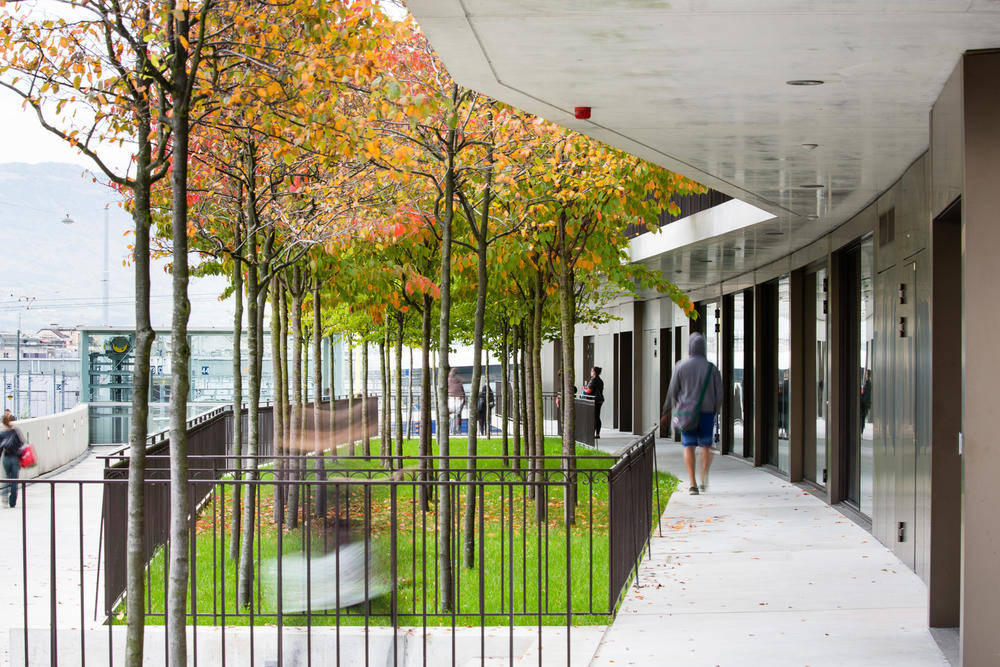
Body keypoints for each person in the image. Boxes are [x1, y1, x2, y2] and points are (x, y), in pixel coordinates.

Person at [660, 333, 723, 495]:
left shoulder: (681, 366)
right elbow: (719, 393)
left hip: (686, 413)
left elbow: (673, 391)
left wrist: (668, 409)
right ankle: (704, 476)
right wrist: (716, 408)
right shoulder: (712, 368)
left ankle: (692, 484)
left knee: (688, 446)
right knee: (706, 445)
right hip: (707, 413)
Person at [0, 412, 25, 508]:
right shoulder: (15, 431)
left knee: (6, 478)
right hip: (15, 458)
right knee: (14, 480)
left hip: (6, 458)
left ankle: (5, 497)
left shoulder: (2, 433)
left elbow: (0, 448)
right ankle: (12, 501)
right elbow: (22, 444)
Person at [585, 366, 605, 439]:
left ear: (594, 372)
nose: (591, 372)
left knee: (593, 417)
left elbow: (589, 390)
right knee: (597, 416)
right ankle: (598, 434)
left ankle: (592, 434)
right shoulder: (600, 380)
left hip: (594, 400)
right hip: (599, 400)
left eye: (591, 371)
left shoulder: (593, 380)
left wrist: (584, 389)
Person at [447, 368, 466, 435]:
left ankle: (451, 431)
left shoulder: (447, 380)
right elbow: (462, 391)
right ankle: (457, 431)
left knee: (450, 416)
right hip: (459, 399)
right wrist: (464, 401)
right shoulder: (459, 380)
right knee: (457, 416)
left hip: (450, 398)